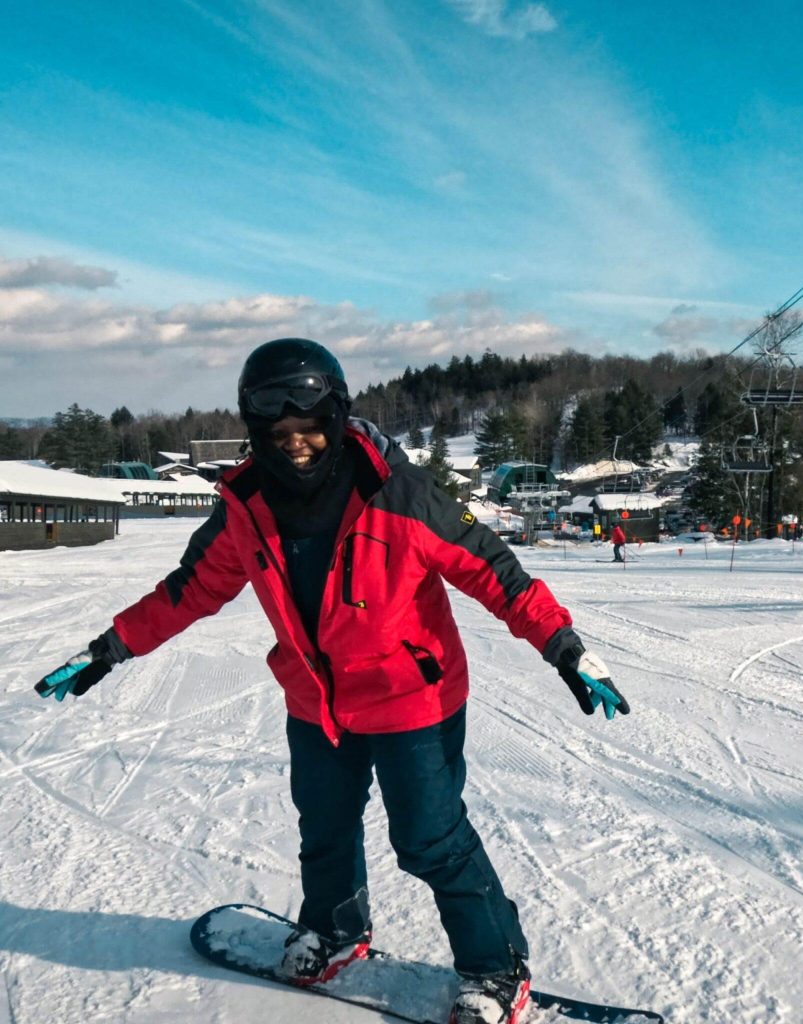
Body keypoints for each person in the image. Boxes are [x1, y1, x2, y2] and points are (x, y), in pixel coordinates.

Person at [33, 338, 630, 1024]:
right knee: (325, 827)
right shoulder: (245, 505)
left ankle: (495, 967)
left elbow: (494, 571)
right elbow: (190, 589)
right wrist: (110, 649)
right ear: (257, 431)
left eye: (310, 426)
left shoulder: (400, 493)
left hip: (414, 699)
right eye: (278, 431)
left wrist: (564, 647)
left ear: (338, 417)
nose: (296, 443)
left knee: (431, 840)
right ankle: (337, 933)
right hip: (317, 701)